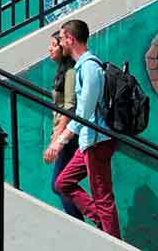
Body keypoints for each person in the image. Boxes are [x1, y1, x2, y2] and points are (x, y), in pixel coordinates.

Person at [44, 19, 121, 239]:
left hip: (97, 141)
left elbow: (84, 114)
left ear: (70, 38)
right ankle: (101, 221)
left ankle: (114, 245)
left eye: (61, 37)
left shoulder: (90, 68)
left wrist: (60, 142)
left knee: (103, 197)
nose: (59, 42)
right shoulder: (82, 67)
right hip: (88, 141)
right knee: (62, 182)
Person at [45, 31, 82, 221]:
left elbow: (69, 108)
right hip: (62, 132)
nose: (50, 49)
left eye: (53, 44)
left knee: (60, 184)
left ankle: (80, 221)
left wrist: (57, 139)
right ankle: (80, 219)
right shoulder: (62, 70)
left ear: (63, 47)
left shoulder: (70, 72)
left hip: (68, 135)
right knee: (60, 183)